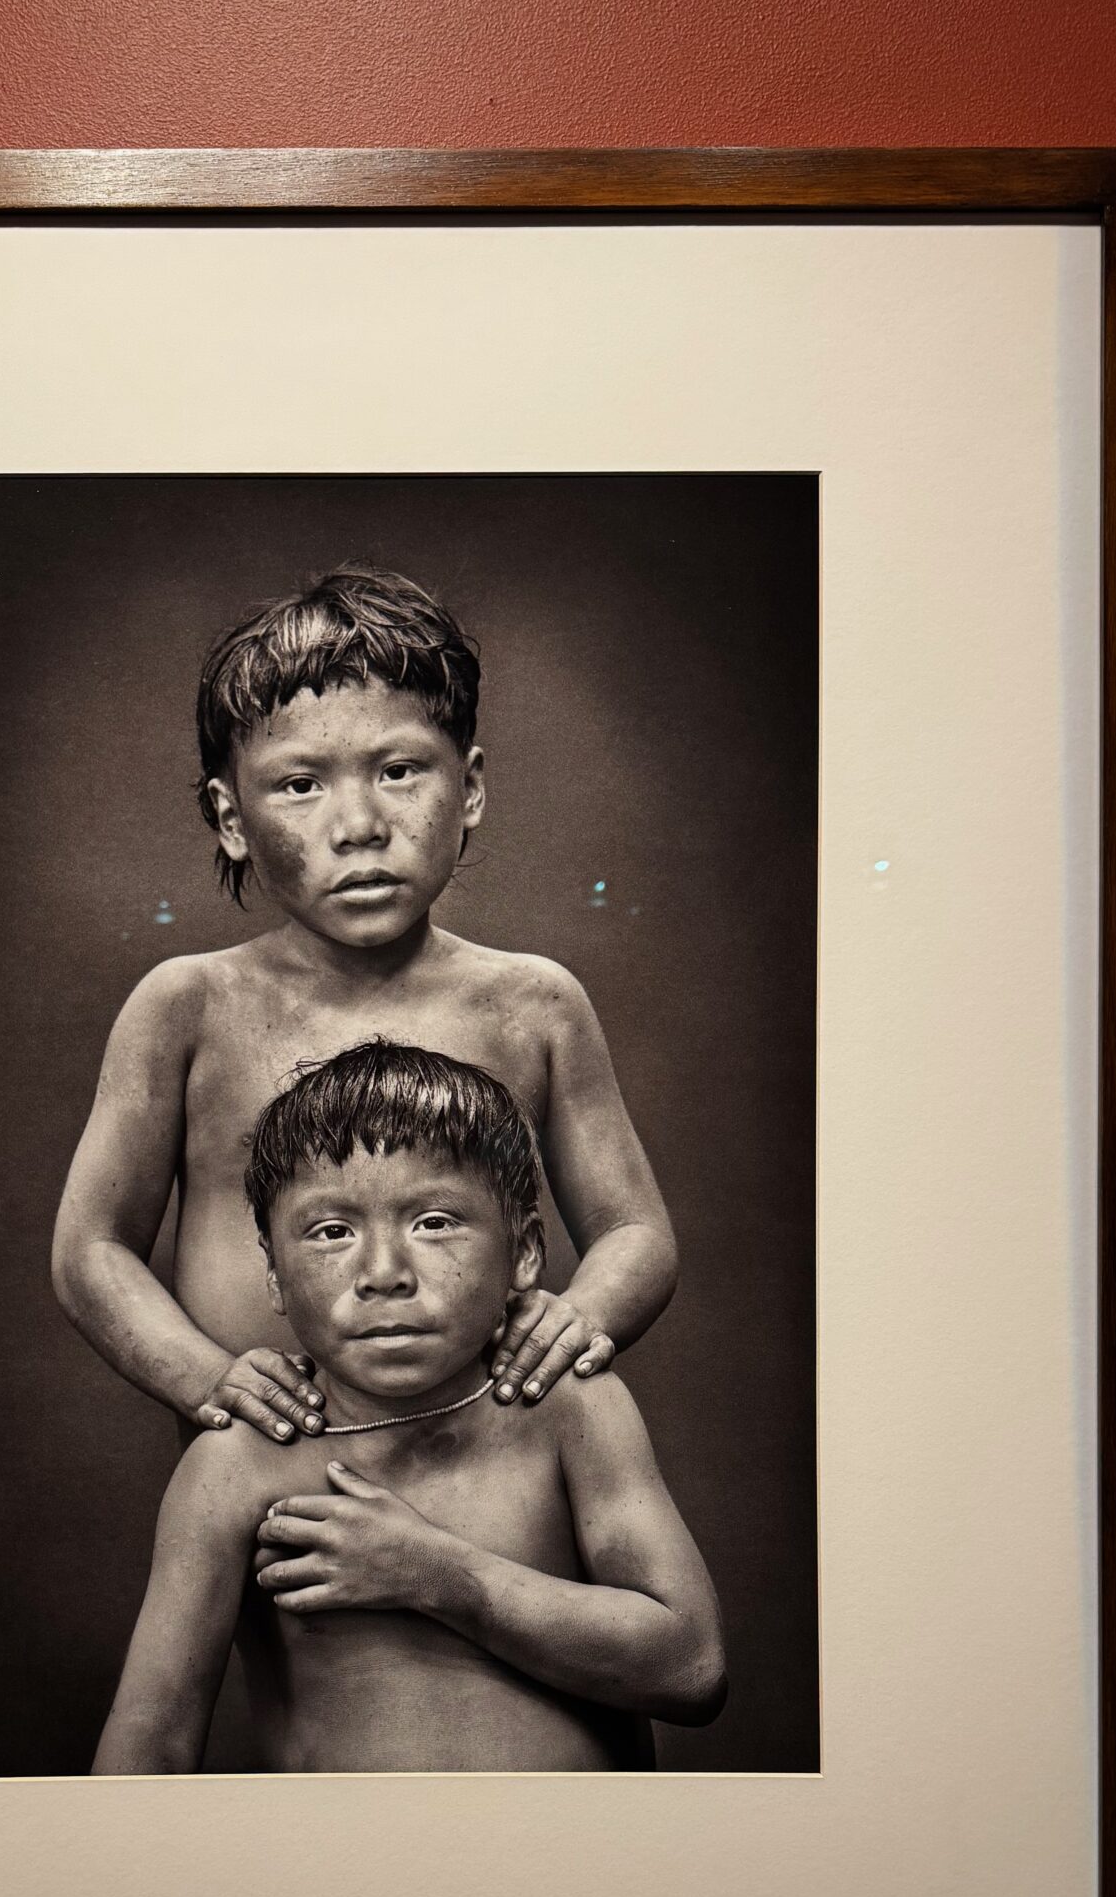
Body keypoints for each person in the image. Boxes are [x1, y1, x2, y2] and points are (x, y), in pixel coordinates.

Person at [52, 564, 677, 1444]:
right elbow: (91, 1249)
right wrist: (208, 1381)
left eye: (398, 770)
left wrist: (581, 1318)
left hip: (490, 1466)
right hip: (269, 1472)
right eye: (300, 784)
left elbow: (635, 1230)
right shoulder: (188, 1008)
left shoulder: (533, 1006)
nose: (359, 826)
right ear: (231, 818)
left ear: (469, 788)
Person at [92, 1043, 724, 1774]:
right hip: (344, 1848)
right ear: (273, 1275)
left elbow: (692, 1669)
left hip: (571, 1843)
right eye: (333, 1232)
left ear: (524, 1251)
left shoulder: (566, 1408)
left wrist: (438, 1575)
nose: (384, 1274)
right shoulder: (239, 1464)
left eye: (434, 1222)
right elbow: (152, 1741)